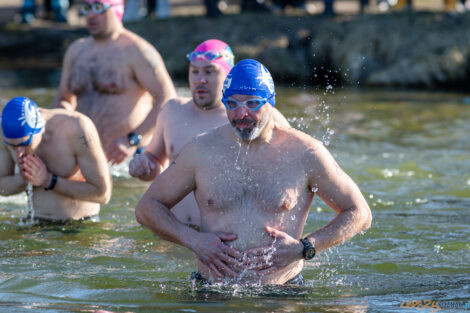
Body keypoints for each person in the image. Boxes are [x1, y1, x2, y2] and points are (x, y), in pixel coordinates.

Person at [135, 59, 372, 285]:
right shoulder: (201, 150)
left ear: (271, 101)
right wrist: (193, 240)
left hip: (281, 292)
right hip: (210, 290)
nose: (241, 115)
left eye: (252, 103)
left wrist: (304, 248)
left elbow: (360, 213)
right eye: (232, 104)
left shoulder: (305, 152)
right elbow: (147, 207)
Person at [129, 39, 290, 227]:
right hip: (175, 235)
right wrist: (144, 165)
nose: (200, 80)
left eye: (209, 71)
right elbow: (155, 161)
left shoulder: (251, 118)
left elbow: (293, 168)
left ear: (229, 76)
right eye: (194, 71)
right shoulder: (172, 111)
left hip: (224, 241)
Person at [52, 0, 177, 165]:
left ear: (118, 9)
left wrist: (132, 139)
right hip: (85, 159)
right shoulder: (75, 51)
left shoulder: (137, 51)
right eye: (87, 7)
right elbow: (64, 98)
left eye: (98, 7)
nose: (90, 14)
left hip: (129, 161)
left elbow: (168, 99)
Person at [0, 97, 112, 222]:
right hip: (35, 224)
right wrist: (23, 179)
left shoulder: (77, 128)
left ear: (39, 128)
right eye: (12, 146)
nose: (19, 153)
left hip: (81, 225)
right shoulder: (4, 131)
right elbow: (1, 186)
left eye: (25, 144)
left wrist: (48, 180)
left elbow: (102, 194)